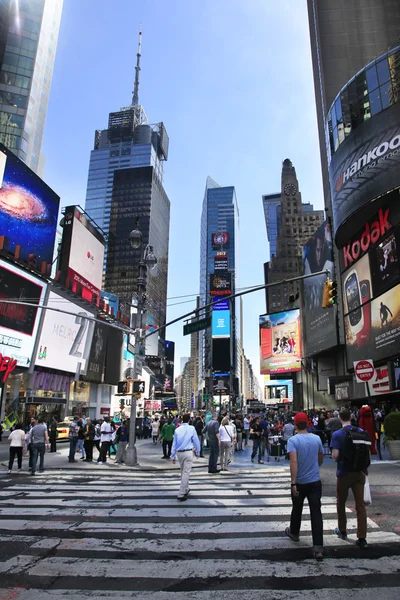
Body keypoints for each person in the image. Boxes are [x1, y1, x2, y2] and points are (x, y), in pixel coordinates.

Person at [285, 412, 324, 561]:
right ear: (307, 423)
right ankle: (318, 548)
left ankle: (294, 533)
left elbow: (293, 462)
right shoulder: (317, 438)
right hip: (315, 481)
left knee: (297, 507)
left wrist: (293, 482)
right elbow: (320, 457)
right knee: (316, 512)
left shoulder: (293, 441)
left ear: (295, 424)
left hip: (300, 481)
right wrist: (316, 466)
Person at [330, 408, 371, 549]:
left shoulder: (337, 434)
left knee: (341, 502)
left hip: (344, 472)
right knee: (360, 505)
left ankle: (342, 530)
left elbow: (335, 456)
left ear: (340, 418)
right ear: (352, 417)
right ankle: (362, 537)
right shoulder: (361, 432)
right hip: (360, 472)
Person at [171, 413, 200, 501]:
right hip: (188, 452)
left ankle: (186, 488)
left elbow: (174, 444)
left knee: (183, 472)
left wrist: (173, 456)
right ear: (189, 420)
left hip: (179, 453)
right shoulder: (192, 428)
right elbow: (196, 440)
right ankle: (181, 493)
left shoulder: (177, 430)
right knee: (186, 473)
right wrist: (198, 451)